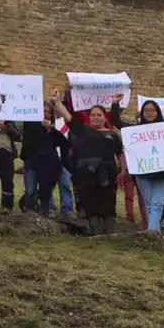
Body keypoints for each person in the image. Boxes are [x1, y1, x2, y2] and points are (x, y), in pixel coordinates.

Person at [51, 91, 124, 235]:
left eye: (99, 115)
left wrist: (123, 171)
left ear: (104, 118)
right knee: (90, 200)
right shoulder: (82, 131)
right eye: (93, 115)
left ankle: (110, 231)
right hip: (86, 174)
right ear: (89, 118)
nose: (96, 117)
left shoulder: (113, 135)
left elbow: (120, 153)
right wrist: (57, 102)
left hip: (108, 173)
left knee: (108, 201)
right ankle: (95, 230)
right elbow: (68, 117)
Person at [111, 96, 164, 234]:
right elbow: (117, 122)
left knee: (158, 203)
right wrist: (115, 104)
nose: (149, 113)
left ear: (158, 112)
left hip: (162, 173)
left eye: (152, 110)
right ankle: (154, 232)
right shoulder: (136, 129)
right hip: (143, 172)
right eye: (146, 110)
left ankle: (152, 232)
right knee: (149, 204)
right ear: (142, 113)